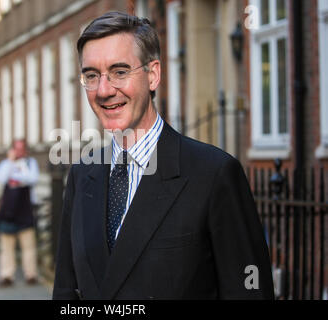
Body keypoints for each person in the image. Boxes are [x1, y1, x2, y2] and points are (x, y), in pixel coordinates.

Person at [53, 11, 274, 300]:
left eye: (120, 72)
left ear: (153, 74)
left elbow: (249, 290)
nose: (104, 90)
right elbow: (66, 291)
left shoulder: (213, 174)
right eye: (91, 76)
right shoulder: (83, 174)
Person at [0, 139, 40, 287]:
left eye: (22, 149)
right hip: (8, 210)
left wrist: (15, 177)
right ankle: (7, 275)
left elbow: (33, 178)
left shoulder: (31, 163)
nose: (19, 152)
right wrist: (10, 163)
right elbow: (1, 178)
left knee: (29, 246)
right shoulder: (5, 164)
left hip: (25, 209)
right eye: (17, 149)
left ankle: (31, 274)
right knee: (6, 246)